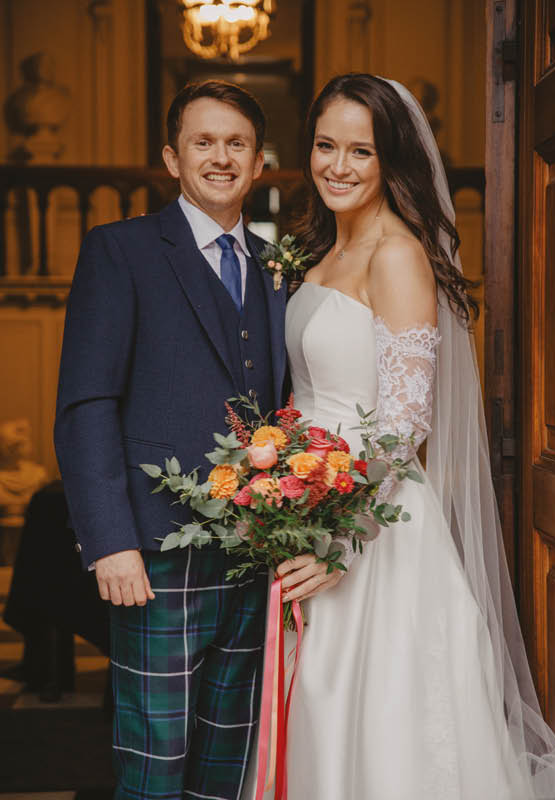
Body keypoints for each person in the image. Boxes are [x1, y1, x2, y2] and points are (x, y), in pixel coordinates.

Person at [241, 74, 555, 799]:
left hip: (371, 525)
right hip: (306, 505)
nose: (338, 166)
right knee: (316, 710)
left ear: (391, 161)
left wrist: (339, 537)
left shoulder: (397, 255)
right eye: (327, 146)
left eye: (361, 151)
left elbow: (403, 422)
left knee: (379, 724)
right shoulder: (316, 251)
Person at [54, 80, 290, 799]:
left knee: (228, 761)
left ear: (258, 163)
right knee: (155, 765)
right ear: (172, 157)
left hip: (257, 551)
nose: (221, 157)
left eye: (237, 144)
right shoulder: (119, 250)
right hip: (157, 554)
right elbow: (86, 402)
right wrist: (109, 541)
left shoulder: (277, 265)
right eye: (204, 141)